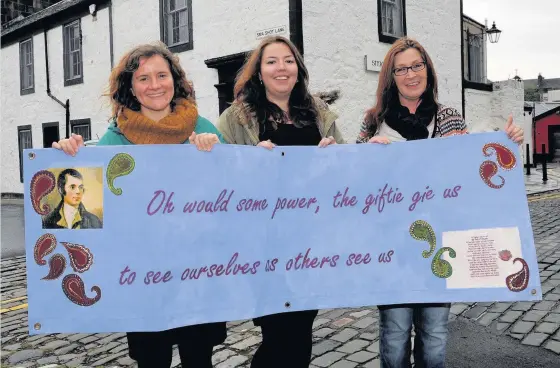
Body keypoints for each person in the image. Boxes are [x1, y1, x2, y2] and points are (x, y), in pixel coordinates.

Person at [52, 42, 226, 368]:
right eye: (143, 78)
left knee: (199, 357)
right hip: (143, 276)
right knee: (152, 359)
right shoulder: (114, 140)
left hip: (197, 271)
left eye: (161, 75)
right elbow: (85, 195)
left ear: (175, 79)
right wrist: (69, 154)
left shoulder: (203, 129)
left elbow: (235, 192)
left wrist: (220, 156)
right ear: (130, 86)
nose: (155, 85)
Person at [356, 37, 523, 368]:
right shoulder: (374, 120)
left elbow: (469, 179)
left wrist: (506, 143)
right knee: (395, 334)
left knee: (434, 338)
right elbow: (357, 184)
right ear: (391, 76)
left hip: (441, 243)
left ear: (427, 71)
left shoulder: (449, 117)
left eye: (417, 65)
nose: (411, 74)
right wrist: (366, 156)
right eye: (401, 68)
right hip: (392, 246)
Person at [217, 35, 344, 368]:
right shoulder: (237, 117)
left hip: (311, 243)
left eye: (288, 60)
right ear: (259, 71)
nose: (281, 67)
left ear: (298, 69)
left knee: (301, 329)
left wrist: (336, 158)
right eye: (271, 61)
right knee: (277, 334)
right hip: (264, 246)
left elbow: (345, 172)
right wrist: (247, 161)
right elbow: (217, 175)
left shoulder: (319, 113)